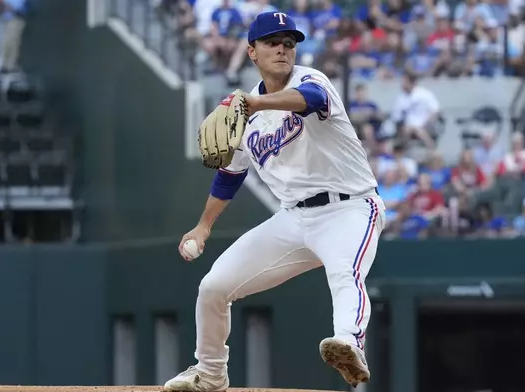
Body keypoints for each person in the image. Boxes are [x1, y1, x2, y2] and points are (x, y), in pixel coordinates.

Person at [164, 11, 386, 392]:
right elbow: (230, 174)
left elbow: (310, 100)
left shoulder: (310, 80)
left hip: (350, 207)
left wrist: (253, 103)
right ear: (252, 52)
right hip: (293, 219)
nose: (283, 49)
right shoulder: (245, 114)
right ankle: (210, 373)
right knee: (214, 287)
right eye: (272, 43)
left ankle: (349, 343)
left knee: (344, 274)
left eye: (289, 43)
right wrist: (204, 226)